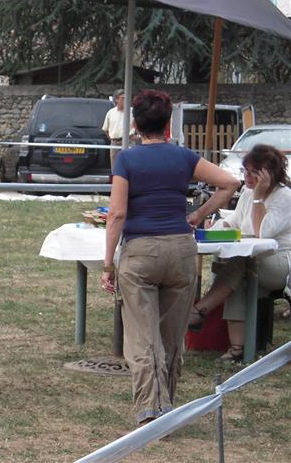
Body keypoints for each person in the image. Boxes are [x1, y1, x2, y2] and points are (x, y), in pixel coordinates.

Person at [100, 90, 240, 426]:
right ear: (168, 124)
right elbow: (230, 182)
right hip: (180, 250)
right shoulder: (183, 156)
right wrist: (198, 214)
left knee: (142, 336)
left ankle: (151, 409)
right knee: (172, 335)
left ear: (134, 124)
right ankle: (168, 405)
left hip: (141, 252)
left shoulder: (127, 160)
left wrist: (108, 263)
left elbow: (117, 213)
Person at [188, 144, 291, 362]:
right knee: (237, 283)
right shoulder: (247, 191)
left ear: (270, 173)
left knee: (241, 264)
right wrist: (215, 228)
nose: (249, 177)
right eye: (246, 171)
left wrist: (259, 198)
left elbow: (260, 233)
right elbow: (234, 221)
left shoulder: (284, 197)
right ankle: (238, 349)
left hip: (281, 263)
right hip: (255, 261)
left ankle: (198, 310)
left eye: (255, 172)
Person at [102, 89, 137, 170]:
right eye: (122, 98)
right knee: (115, 168)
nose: (125, 100)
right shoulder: (111, 112)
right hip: (115, 143)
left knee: (130, 166)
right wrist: (112, 138)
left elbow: (141, 126)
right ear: (116, 99)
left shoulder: (133, 112)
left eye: (127, 98)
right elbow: (105, 129)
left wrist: (137, 136)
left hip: (129, 142)